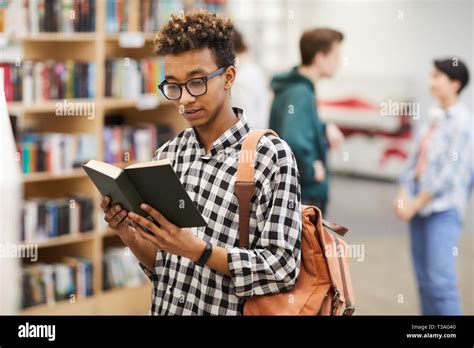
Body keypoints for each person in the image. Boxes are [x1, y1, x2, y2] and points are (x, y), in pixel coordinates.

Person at [100, 10, 302, 315]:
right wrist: (128, 234)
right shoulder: (168, 155)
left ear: (229, 76)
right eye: (173, 86)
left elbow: (283, 268)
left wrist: (201, 252)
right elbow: (163, 268)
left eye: (196, 82)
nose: (184, 99)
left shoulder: (270, 157)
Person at [394, 58, 472, 315]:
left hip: (442, 211)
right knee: (424, 282)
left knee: (441, 284)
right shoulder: (432, 117)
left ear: (455, 84)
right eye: (432, 76)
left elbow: (450, 174)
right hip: (418, 209)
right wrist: (404, 194)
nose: (432, 82)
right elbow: (413, 161)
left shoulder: (463, 123)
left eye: (438, 77)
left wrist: (414, 203)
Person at [269, 28, 344, 215]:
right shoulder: (300, 93)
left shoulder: (295, 87)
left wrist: (325, 128)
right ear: (319, 57)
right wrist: (310, 170)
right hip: (305, 193)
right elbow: (292, 138)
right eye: (335, 55)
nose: (339, 62)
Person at [231, 29, 269, 129]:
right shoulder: (253, 70)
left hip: (247, 136)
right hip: (256, 132)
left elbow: (244, 115)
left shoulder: (242, 76)